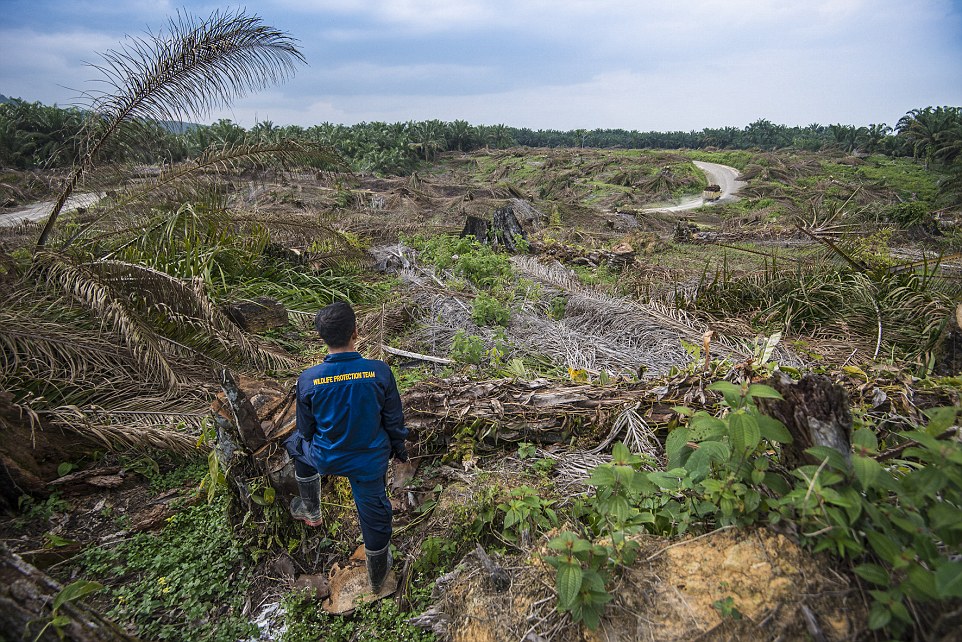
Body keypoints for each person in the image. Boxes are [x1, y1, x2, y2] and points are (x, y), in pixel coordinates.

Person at [284, 301, 408, 593]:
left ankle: (311, 508)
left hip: (328, 458)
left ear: (322, 338)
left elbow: (306, 430)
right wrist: (399, 451)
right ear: (356, 331)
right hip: (369, 462)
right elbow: (394, 420)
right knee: (374, 516)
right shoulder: (379, 372)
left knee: (294, 443)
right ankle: (378, 579)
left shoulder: (309, 379)